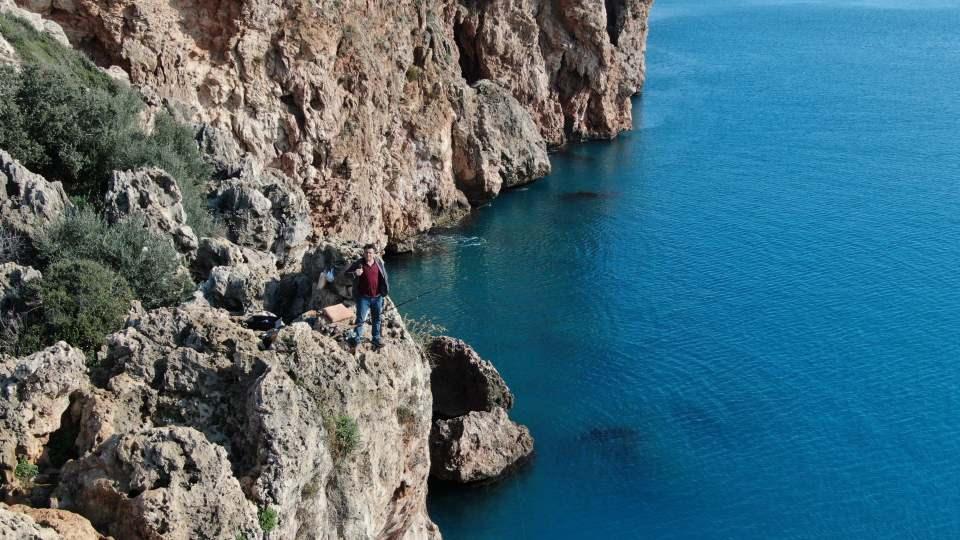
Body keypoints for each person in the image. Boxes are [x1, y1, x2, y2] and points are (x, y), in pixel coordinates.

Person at [345, 244, 389, 349]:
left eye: (370, 253)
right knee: (360, 319)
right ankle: (356, 339)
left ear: (374, 254)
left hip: (377, 297)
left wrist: (384, 291)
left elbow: (384, 277)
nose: (368, 255)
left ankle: (376, 338)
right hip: (363, 298)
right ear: (363, 253)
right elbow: (346, 274)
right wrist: (355, 273)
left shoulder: (378, 263)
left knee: (377, 318)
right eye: (366, 252)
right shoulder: (359, 263)